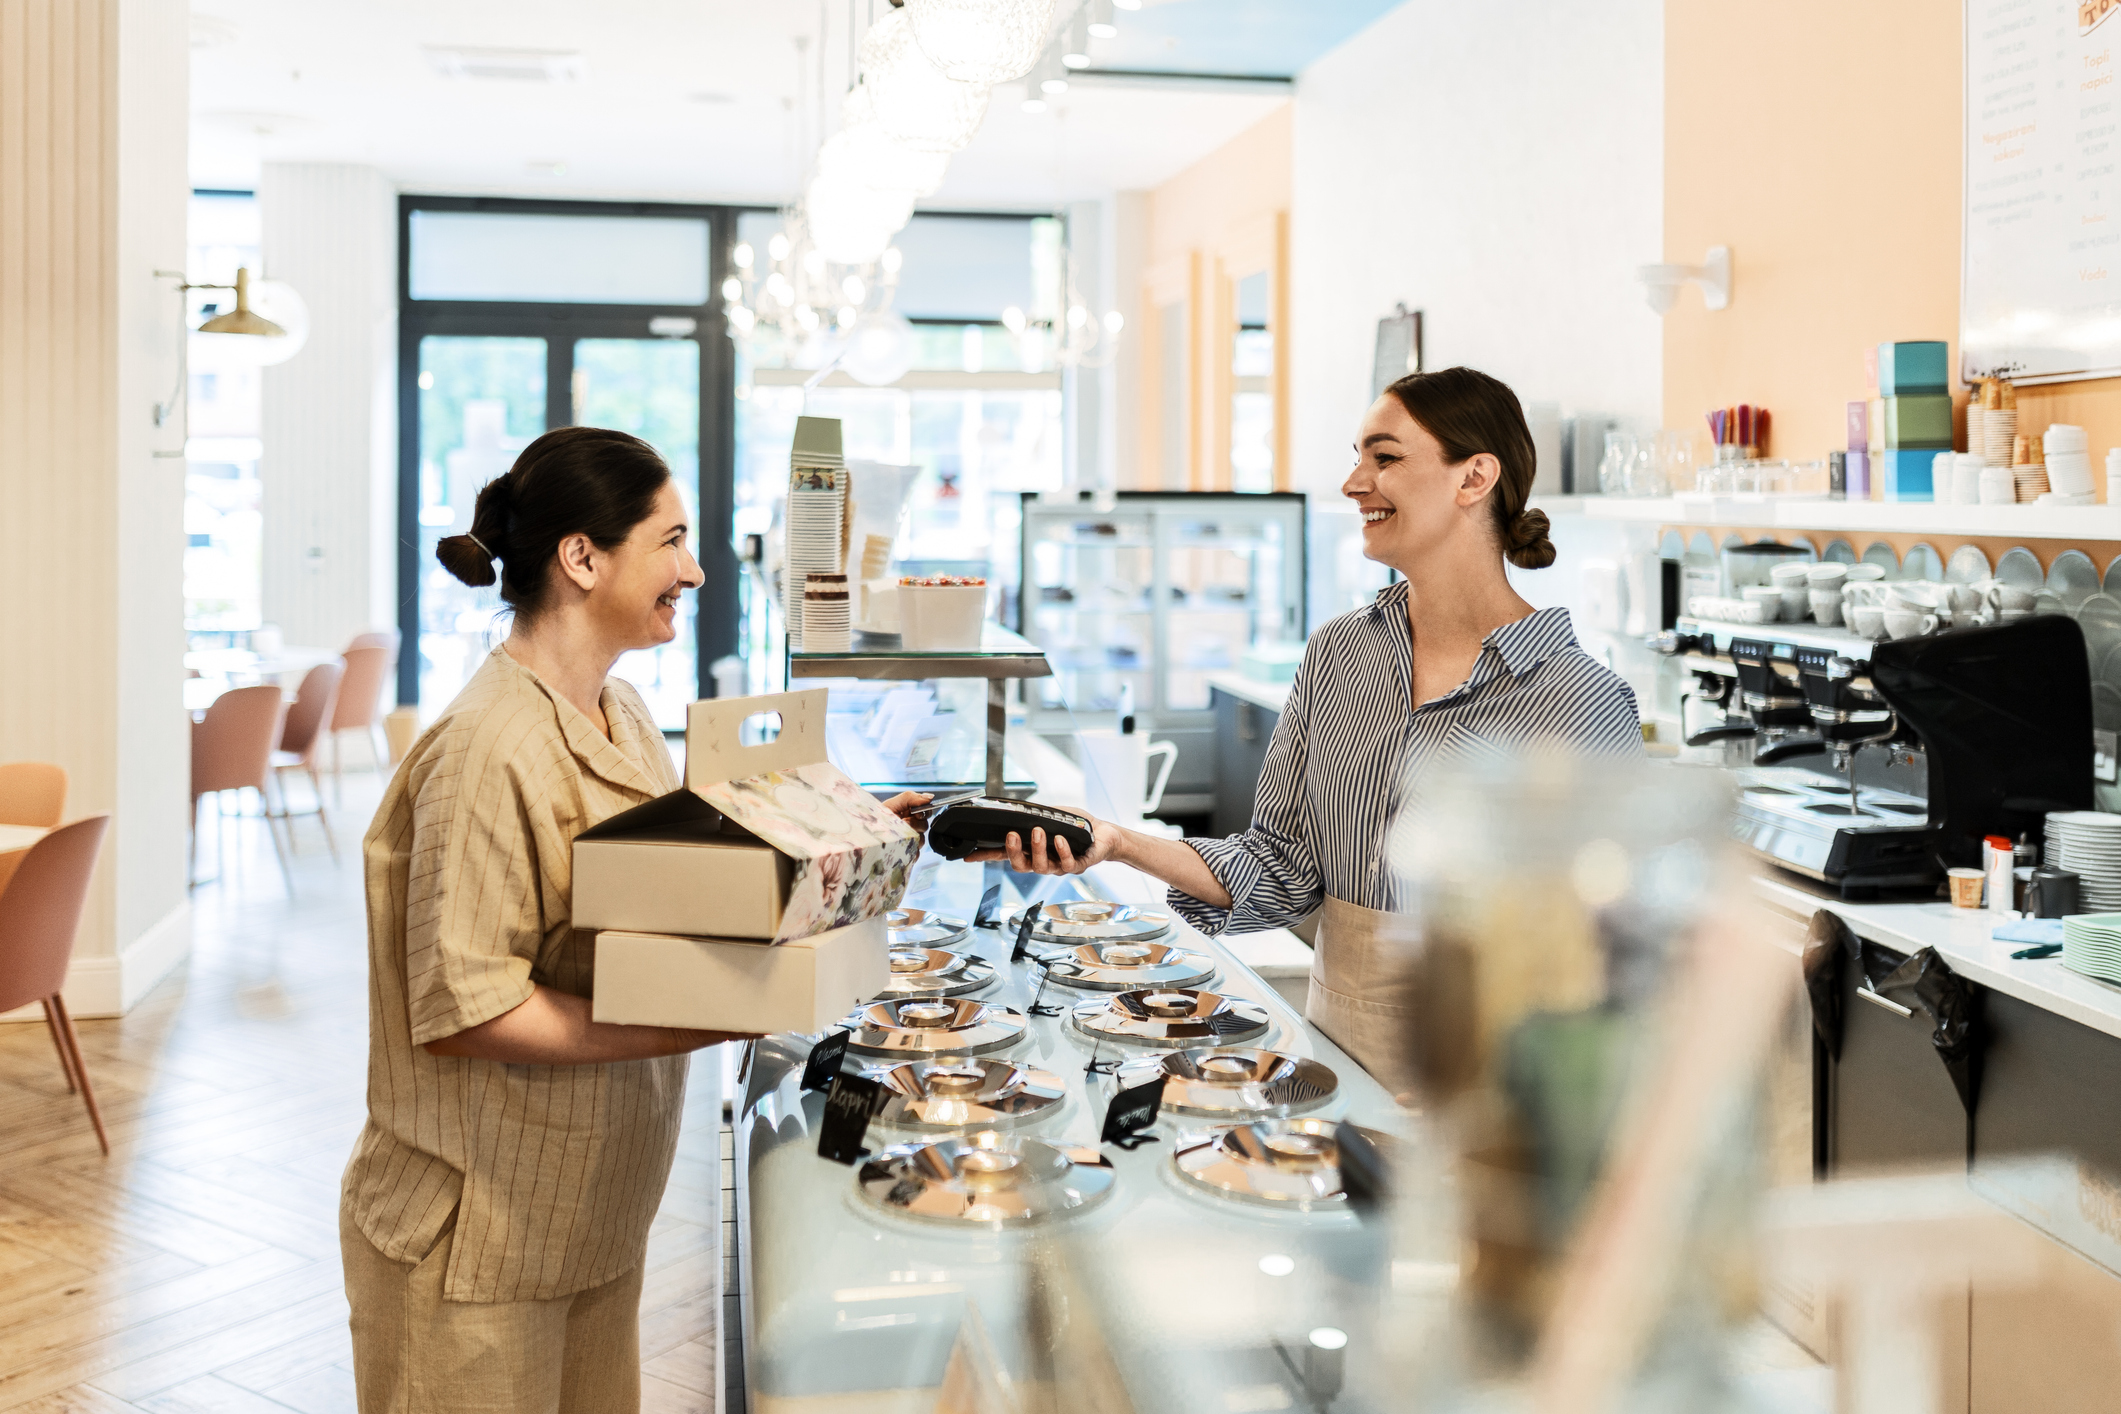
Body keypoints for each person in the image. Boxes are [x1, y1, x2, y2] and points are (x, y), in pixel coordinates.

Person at [340, 426, 923, 1413]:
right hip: (475, 1237)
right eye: (672, 540)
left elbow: (667, 895)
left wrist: (832, 841)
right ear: (581, 557)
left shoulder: (629, 716)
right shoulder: (488, 749)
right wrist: (713, 1017)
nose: (695, 570)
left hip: (589, 1215)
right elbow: (469, 1007)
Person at [986, 367, 1642, 1092]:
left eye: (1384, 458)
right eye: (1358, 457)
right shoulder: (1338, 654)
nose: (1353, 483)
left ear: (1473, 477)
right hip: (1331, 1052)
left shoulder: (1579, 701)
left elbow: (1604, 968)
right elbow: (1279, 868)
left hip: (1491, 1086)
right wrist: (1115, 842)